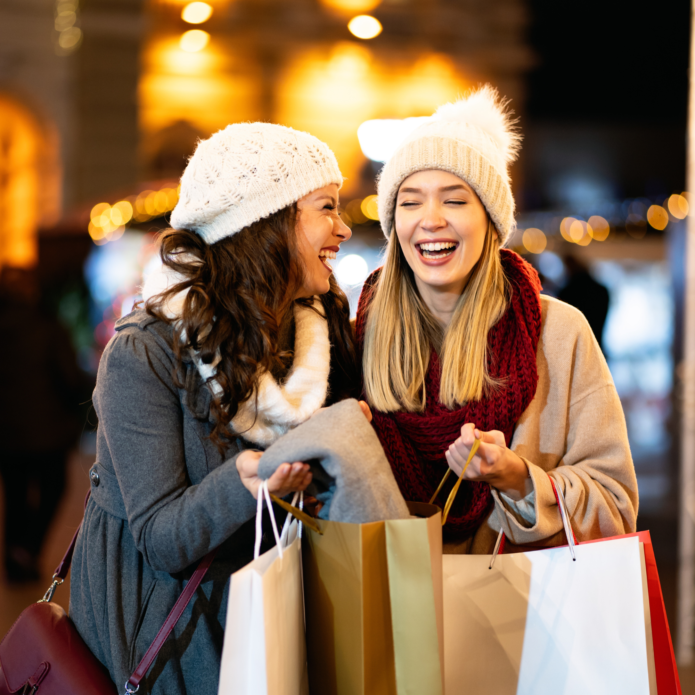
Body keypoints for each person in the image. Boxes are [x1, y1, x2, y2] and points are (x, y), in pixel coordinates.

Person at [69, 122, 360, 694]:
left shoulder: (320, 337)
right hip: (173, 643)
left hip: (276, 622)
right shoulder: (145, 351)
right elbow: (161, 538)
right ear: (264, 224)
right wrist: (247, 480)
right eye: (327, 207)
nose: (344, 228)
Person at [356, 86, 638, 553]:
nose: (430, 219)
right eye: (410, 201)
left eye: (454, 199)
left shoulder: (558, 334)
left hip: (520, 618)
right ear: (394, 224)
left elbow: (615, 507)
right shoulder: (354, 342)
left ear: (490, 220)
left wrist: (517, 478)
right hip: (390, 616)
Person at [0, 267, 92, 582]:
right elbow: (70, 378)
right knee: (54, 488)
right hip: (47, 433)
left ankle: (15, 560)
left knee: (14, 495)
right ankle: (27, 549)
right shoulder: (49, 328)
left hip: (7, 434)